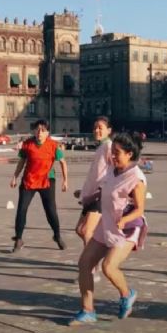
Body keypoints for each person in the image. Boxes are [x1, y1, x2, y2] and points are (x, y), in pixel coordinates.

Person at [69, 132, 148, 325]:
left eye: (117, 153)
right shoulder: (112, 169)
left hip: (127, 228)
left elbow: (139, 210)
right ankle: (88, 311)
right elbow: (105, 189)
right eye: (112, 152)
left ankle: (127, 294)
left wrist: (123, 220)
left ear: (129, 154)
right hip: (107, 224)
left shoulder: (136, 178)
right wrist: (85, 194)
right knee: (85, 264)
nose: (112, 156)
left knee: (108, 267)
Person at [10, 119, 68, 253]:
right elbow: (22, 162)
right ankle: (19, 239)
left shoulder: (54, 146)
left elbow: (63, 162)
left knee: (51, 211)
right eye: (37, 129)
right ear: (34, 131)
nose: (40, 133)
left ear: (47, 132)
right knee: (21, 210)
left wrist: (65, 180)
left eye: (43, 130)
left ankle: (57, 235)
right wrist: (14, 176)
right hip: (28, 181)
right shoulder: (27, 144)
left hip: (47, 181)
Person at [73, 116, 113, 283]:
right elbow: (95, 174)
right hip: (91, 195)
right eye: (95, 127)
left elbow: (114, 168)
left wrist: (106, 190)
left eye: (101, 127)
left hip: (100, 195)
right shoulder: (101, 147)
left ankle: (92, 269)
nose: (97, 130)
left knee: (87, 231)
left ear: (109, 130)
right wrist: (83, 192)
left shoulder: (109, 146)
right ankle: (100, 251)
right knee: (80, 230)